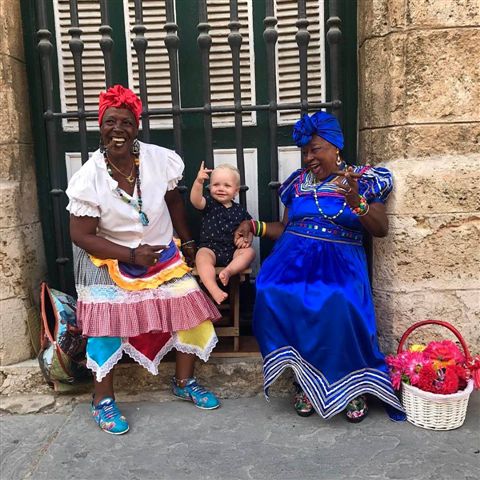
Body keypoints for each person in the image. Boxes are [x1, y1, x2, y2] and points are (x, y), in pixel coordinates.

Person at [66, 85, 222, 435]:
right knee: (104, 325)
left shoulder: (159, 159)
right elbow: (81, 235)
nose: (118, 129)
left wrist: (188, 241)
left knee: (190, 309)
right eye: (110, 122)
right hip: (108, 257)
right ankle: (102, 399)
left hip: (160, 254)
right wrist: (131, 255)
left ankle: (184, 381)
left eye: (126, 122)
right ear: (100, 126)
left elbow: (174, 202)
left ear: (136, 126)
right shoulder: (88, 177)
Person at [234, 111, 405, 423]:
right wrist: (253, 226)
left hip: (341, 262)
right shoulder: (299, 183)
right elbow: (285, 227)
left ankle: (352, 386)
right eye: (305, 151)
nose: (308, 158)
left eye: (315, 149)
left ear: (335, 147)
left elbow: (380, 229)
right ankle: (305, 379)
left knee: (339, 300)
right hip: (293, 259)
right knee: (272, 289)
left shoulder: (364, 179)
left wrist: (356, 200)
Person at [190, 162, 255, 304]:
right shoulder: (208, 203)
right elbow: (195, 200)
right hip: (210, 249)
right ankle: (214, 289)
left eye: (227, 185)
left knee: (249, 252)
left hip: (233, 251)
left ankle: (229, 271)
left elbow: (249, 226)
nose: (221, 188)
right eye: (216, 185)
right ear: (210, 187)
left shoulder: (240, 210)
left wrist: (247, 239)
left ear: (236, 191)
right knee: (201, 257)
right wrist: (199, 182)